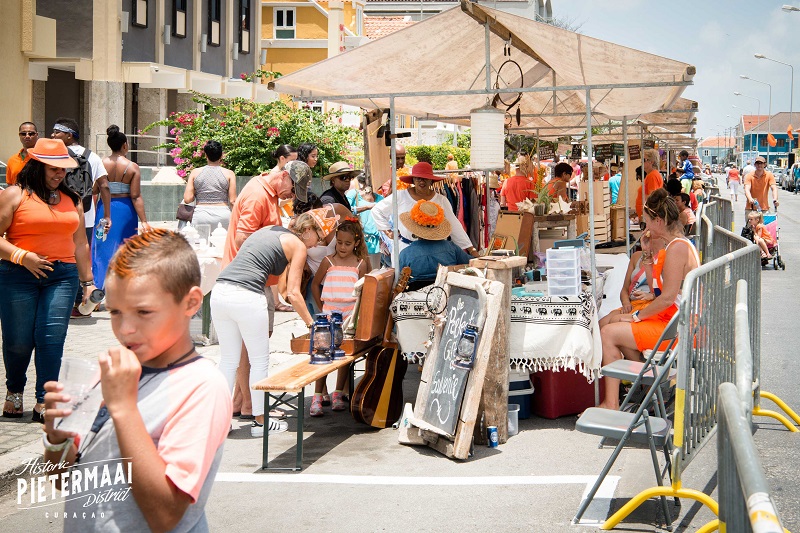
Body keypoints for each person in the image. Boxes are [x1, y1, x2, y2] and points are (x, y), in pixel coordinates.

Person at [41, 229, 231, 532]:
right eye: (116, 312)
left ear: (191, 303)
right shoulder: (110, 372)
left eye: (143, 312)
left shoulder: (201, 386)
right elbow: (63, 480)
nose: (125, 329)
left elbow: (166, 515)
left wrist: (124, 409)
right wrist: (57, 438)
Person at [0, 138, 96, 420]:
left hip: (62, 276)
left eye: (63, 169)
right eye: (54, 169)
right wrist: (22, 256)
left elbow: (80, 244)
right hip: (18, 275)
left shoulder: (73, 199)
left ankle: (45, 401)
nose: (60, 174)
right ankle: (14, 391)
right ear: (38, 165)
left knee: (51, 339)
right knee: (18, 341)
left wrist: (88, 283)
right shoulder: (14, 195)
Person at [213, 212, 325, 436]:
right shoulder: (298, 246)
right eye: (318, 237)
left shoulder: (270, 231)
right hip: (247, 296)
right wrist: (313, 325)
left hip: (220, 291)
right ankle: (261, 423)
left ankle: (219, 423)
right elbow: (292, 293)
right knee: (259, 361)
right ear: (307, 231)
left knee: (227, 361)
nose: (318, 243)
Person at [223, 160, 310, 421]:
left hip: (254, 282)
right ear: (284, 176)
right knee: (251, 349)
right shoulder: (258, 194)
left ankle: (239, 401)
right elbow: (242, 238)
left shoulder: (267, 193)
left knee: (248, 347)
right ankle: (252, 406)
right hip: (249, 282)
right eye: (293, 190)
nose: (292, 197)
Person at [597, 189, 699, 410]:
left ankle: (616, 400)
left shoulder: (677, 249)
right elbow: (657, 290)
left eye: (647, 222)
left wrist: (635, 316)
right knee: (614, 327)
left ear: (659, 221)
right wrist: (645, 255)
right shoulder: (676, 245)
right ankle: (649, 387)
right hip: (672, 321)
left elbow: (666, 298)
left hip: (676, 327)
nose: (645, 227)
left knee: (608, 332)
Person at [309, 219, 370, 416]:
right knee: (323, 352)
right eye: (339, 242)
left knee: (344, 354)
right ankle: (318, 395)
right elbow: (315, 284)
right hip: (329, 311)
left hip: (349, 314)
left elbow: (364, 292)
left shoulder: (361, 264)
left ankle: (337, 393)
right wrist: (322, 308)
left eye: (347, 243)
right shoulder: (328, 261)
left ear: (356, 243)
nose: (342, 247)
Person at [52, 118, 111, 318]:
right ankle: (80, 302)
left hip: (59, 215)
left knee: (61, 256)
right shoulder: (92, 156)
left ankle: (63, 300)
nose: (53, 136)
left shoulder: (56, 155)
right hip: (86, 215)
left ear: (70, 135)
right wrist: (107, 215)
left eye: (57, 132)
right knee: (81, 257)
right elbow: (104, 185)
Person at [372, 161, 478, 262]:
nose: (421, 182)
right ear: (413, 180)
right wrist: (387, 231)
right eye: (418, 179)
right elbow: (377, 210)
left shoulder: (441, 200)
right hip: (404, 249)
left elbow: (454, 226)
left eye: (425, 179)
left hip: (434, 251)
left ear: (431, 180)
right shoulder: (400, 196)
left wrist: (471, 249)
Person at [92, 125, 150, 292]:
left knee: (101, 248)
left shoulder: (100, 164)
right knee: (126, 249)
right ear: (125, 145)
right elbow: (136, 196)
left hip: (105, 209)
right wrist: (144, 220)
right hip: (126, 211)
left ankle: (98, 290)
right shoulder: (132, 167)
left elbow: (95, 191)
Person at [398, 200, 473, 289]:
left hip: (416, 298)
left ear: (415, 230)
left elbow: (400, 280)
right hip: (446, 296)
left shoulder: (406, 254)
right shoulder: (451, 248)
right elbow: (471, 264)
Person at [598, 232, 665, 328]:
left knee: (615, 322)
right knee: (601, 324)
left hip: (649, 305)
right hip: (632, 304)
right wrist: (626, 303)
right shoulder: (636, 256)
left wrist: (652, 296)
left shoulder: (666, 257)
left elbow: (668, 295)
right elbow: (625, 289)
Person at [179, 139, 237, 230]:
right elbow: (233, 201)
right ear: (221, 155)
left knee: (200, 243)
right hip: (223, 215)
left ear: (205, 155)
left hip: (201, 215)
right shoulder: (229, 174)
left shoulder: (195, 173)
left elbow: (187, 199)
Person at [346, 172, 384, 268]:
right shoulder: (354, 195)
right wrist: (367, 207)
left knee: (375, 270)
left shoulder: (380, 198)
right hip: (359, 239)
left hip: (377, 242)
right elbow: (346, 210)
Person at [635, 149, 663, 220]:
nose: (642, 162)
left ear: (651, 162)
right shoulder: (650, 175)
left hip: (648, 217)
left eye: (644, 160)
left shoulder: (652, 176)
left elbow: (652, 198)